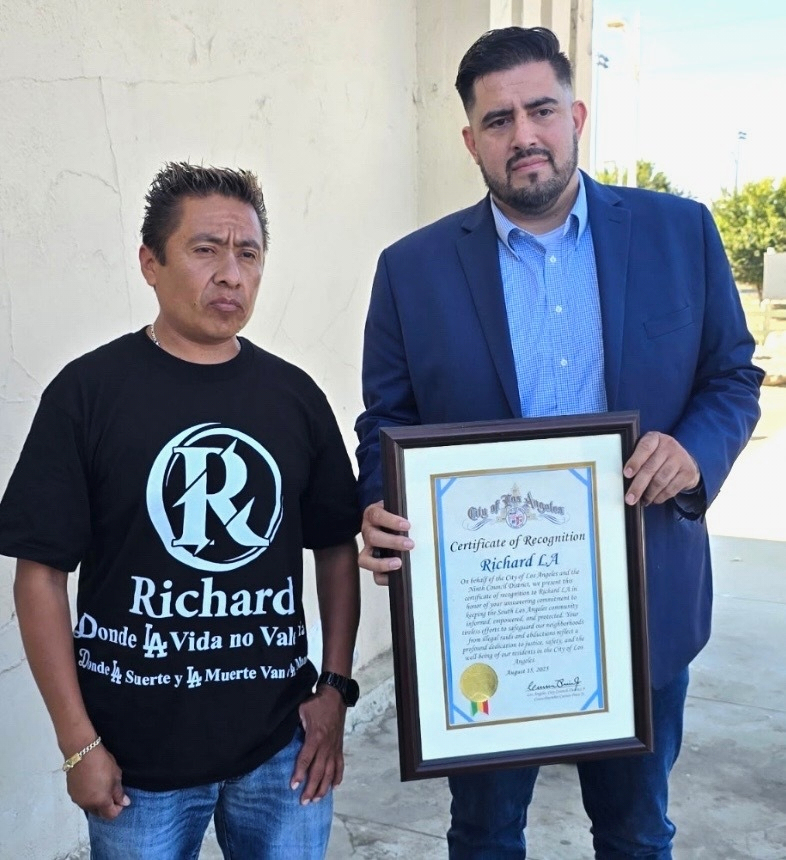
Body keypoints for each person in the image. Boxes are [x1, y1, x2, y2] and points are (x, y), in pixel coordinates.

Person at [355, 26, 762, 860]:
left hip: (640, 599)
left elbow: (732, 378)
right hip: (484, 618)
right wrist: (376, 502)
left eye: (541, 109)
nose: (524, 135)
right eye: (498, 120)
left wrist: (693, 451)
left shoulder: (679, 233)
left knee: (636, 833)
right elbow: (386, 421)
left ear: (576, 115)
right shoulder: (412, 269)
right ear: (471, 140)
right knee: (485, 834)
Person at [0, 162, 361, 860]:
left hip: (280, 752)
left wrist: (336, 689)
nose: (231, 274)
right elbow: (38, 575)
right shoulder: (87, 394)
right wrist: (78, 745)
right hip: (136, 768)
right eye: (206, 249)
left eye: (248, 253)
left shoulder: (295, 399)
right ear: (150, 262)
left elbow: (335, 547)